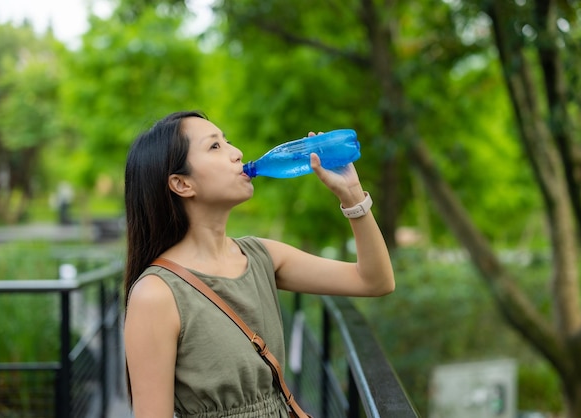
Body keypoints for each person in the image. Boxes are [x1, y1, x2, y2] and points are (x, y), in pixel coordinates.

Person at [123, 110, 395, 418]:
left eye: (228, 142)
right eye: (215, 146)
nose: (237, 153)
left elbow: (375, 281)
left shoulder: (262, 256)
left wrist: (352, 196)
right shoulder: (156, 294)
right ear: (182, 184)